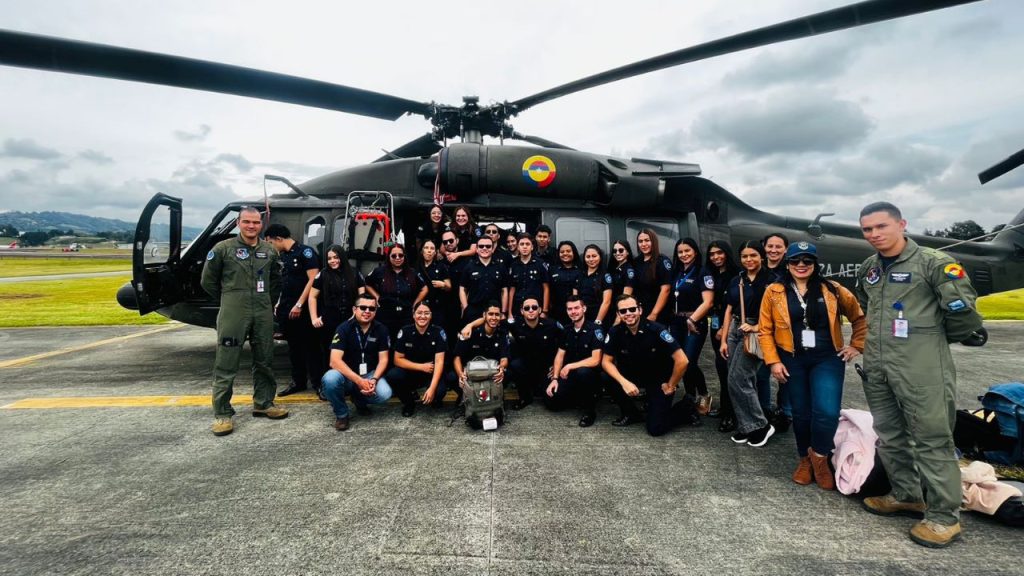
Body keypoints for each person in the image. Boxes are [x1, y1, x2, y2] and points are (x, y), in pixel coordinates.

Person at [854, 202, 983, 548]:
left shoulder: (935, 263)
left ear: (901, 224)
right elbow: (868, 308)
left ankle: (943, 517)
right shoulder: (869, 268)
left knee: (932, 437)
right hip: (878, 364)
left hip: (921, 366)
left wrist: (930, 341)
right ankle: (907, 494)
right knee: (890, 434)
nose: (874, 234)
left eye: (880, 226)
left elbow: (964, 315)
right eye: (867, 229)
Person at [758, 241, 866, 491]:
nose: (801, 265)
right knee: (801, 412)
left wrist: (856, 345)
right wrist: (773, 361)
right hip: (792, 358)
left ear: (815, 264)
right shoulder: (774, 291)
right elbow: (765, 330)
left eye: (807, 261)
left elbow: (859, 317)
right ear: (788, 264)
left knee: (826, 411)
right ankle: (804, 460)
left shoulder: (833, 289)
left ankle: (820, 457)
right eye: (795, 261)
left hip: (827, 358)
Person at [200, 206, 288, 436]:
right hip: (233, 310)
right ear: (239, 222)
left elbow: (276, 281)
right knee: (226, 362)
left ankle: (264, 402)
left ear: (261, 225)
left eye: (256, 222)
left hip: (262, 310)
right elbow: (207, 281)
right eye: (247, 221)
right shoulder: (223, 249)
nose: (251, 226)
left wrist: (267, 302)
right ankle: (222, 413)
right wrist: (230, 298)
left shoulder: (269, 251)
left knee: (265, 359)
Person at [602, 294, 698, 436]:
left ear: (640, 310)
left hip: (658, 380)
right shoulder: (615, 332)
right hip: (632, 376)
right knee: (605, 377)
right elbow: (606, 361)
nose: (628, 313)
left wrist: (671, 385)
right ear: (618, 314)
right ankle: (631, 414)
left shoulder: (657, 330)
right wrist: (624, 382)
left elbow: (682, 360)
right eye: (623, 311)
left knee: (656, 429)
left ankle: (686, 407)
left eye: (632, 309)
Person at [719, 241, 775, 447]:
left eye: (753, 255)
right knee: (737, 379)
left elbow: (778, 314)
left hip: (756, 329)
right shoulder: (737, 279)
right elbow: (728, 309)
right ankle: (746, 425)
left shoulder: (772, 281)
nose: (749, 260)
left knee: (738, 378)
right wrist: (724, 339)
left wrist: (756, 327)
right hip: (735, 327)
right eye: (744, 256)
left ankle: (761, 425)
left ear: (761, 257)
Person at [321, 294, 394, 431]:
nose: (367, 311)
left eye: (371, 308)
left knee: (385, 393)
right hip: (347, 375)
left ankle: (358, 398)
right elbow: (334, 361)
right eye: (363, 307)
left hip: (369, 374)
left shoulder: (381, 329)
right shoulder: (343, 329)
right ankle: (342, 414)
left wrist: (374, 379)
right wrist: (359, 381)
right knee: (330, 379)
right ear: (355, 309)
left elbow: (384, 359)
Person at [264, 223, 321, 397]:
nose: (271, 246)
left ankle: (318, 384)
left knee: (311, 347)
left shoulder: (305, 252)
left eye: (271, 242)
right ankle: (298, 381)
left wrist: (299, 304)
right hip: (287, 308)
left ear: (279, 239)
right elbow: (284, 282)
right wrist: (279, 303)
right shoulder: (283, 256)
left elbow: (313, 279)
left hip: (302, 308)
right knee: (294, 347)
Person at [309, 244, 366, 394]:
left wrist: (358, 312)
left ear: (342, 257)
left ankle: (350, 385)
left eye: (336, 257)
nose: (333, 261)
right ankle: (326, 387)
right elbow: (312, 296)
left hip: (350, 318)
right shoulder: (322, 274)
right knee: (328, 353)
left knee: (351, 351)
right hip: (330, 318)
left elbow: (362, 296)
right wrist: (314, 317)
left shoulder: (354, 273)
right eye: (329, 258)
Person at [669, 238, 715, 415]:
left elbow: (708, 302)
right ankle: (689, 396)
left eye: (687, 251)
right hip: (677, 322)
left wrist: (692, 319)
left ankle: (703, 394)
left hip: (694, 323)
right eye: (680, 252)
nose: (684, 255)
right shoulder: (678, 273)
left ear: (695, 252)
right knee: (681, 361)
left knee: (689, 361)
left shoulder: (703, 273)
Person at [546, 296, 604, 427]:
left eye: (576, 308)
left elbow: (596, 360)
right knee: (552, 402)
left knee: (583, 372)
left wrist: (570, 365)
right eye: (570, 309)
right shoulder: (566, 330)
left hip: (591, 376)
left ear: (584, 309)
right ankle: (576, 398)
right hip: (571, 375)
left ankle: (590, 411)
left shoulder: (595, 330)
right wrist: (555, 379)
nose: (573, 312)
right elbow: (559, 355)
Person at [385, 302, 448, 417]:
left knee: (439, 391)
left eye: (426, 313)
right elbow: (397, 360)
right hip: (412, 371)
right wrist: (421, 366)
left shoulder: (438, 332)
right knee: (393, 375)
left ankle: (434, 398)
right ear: (413, 315)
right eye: (419, 313)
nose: (422, 316)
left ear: (431, 315)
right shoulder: (405, 331)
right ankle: (409, 403)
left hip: (431, 372)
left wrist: (432, 388)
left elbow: (439, 361)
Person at [705, 240, 739, 432]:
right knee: (720, 367)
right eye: (712, 254)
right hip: (716, 323)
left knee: (728, 369)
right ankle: (725, 407)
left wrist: (724, 330)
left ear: (727, 253)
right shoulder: (712, 274)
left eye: (719, 253)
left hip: (728, 325)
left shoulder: (734, 276)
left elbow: (734, 306)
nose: (716, 257)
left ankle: (730, 414)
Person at [505, 297, 563, 410]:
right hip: (527, 367)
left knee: (552, 403)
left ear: (540, 310)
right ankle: (525, 397)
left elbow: (565, 345)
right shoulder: (516, 325)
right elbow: (492, 320)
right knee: (515, 364)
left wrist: (559, 367)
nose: (531, 310)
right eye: (527, 308)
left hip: (546, 368)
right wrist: (470, 325)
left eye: (534, 307)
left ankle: (541, 390)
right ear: (522, 311)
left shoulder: (552, 325)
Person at [762, 232, 792, 432]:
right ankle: (764, 410)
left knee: (785, 374)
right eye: (770, 246)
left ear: (785, 249)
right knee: (760, 373)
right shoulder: (758, 268)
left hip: (784, 330)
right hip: (763, 329)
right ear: (764, 247)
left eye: (778, 247)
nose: (773, 250)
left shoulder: (791, 270)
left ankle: (786, 412)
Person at [453, 301, 510, 408]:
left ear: (501, 316)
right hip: (471, 373)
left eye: (497, 314)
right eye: (491, 314)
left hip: (491, 373)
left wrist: (501, 368)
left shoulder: (502, 333)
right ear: (484, 316)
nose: (494, 317)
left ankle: (495, 396)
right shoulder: (470, 331)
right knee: (451, 377)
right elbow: (457, 357)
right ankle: (465, 395)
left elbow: (504, 358)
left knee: (508, 373)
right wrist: (461, 374)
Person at [364, 243, 428, 339]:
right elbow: (367, 284)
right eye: (394, 256)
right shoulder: (380, 271)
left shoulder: (412, 272)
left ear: (404, 256)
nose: (397, 258)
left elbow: (424, 288)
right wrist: (376, 297)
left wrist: (415, 304)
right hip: (385, 315)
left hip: (406, 316)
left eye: (400, 255)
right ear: (389, 257)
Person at [459, 236, 509, 322]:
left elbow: (504, 291)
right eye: (481, 246)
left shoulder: (501, 267)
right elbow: (462, 289)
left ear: (493, 249)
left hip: (494, 312)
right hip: (474, 311)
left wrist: (503, 312)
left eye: (488, 246)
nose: (484, 248)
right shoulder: (469, 267)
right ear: (477, 249)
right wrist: (466, 308)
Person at [632, 229, 672, 324]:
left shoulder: (662, 261)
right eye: (640, 241)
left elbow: (666, 290)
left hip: (657, 314)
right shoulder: (636, 262)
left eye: (647, 240)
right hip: (640, 313)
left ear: (653, 241)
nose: (643, 244)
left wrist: (654, 314)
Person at [508, 232, 550, 319]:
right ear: (518, 247)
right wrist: (509, 312)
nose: (524, 246)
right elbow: (512, 290)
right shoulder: (513, 265)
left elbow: (546, 288)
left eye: (527, 244)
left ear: (532, 247)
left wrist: (545, 311)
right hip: (518, 309)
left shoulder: (540, 264)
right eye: (522, 244)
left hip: (535, 309)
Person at [417, 239, 452, 331]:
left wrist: (443, 284)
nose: (429, 250)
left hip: (437, 307)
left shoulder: (441, 266)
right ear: (422, 251)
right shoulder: (416, 266)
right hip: (420, 307)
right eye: (426, 248)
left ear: (435, 252)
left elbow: (449, 287)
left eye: (432, 248)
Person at [548, 240, 582, 325]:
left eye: (568, 251)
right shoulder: (552, 270)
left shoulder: (581, 270)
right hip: (556, 312)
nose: (565, 253)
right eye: (562, 252)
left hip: (575, 312)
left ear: (574, 252)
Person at [578, 244, 613, 325]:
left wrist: (597, 321)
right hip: (582, 318)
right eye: (588, 256)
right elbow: (576, 300)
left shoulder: (605, 276)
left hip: (599, 318)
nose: (591, 259)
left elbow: (606, 302)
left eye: (594, 256)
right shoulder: (580, 275)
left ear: (600, 257)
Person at [608, 240, 636, 322]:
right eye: (615, 251)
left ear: (627, 252)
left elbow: (625, 297)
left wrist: (618, 319)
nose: (617, 253)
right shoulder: (613, 268)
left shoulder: (629, 270)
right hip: (611, 309)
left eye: (621, 250)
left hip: (621, 311)